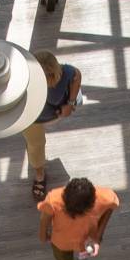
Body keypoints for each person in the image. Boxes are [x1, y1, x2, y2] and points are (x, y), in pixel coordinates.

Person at [36, 176, 118, 260]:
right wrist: (43, 236)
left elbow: (111, 206)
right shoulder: (53, 199)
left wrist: (98, 236)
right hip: (61, 242)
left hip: (86, 241)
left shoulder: (105, 196)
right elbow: (44, 218)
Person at [22, 51, 81, 202]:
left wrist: (71, 103)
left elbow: (76, 74)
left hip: (52, 115)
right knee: (36, 145)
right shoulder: (24, 80)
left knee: (34, 144)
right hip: (31, 119)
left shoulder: (65, 72)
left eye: (53, 76)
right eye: (45, 77)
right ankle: (40, 175)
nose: (51, 81)